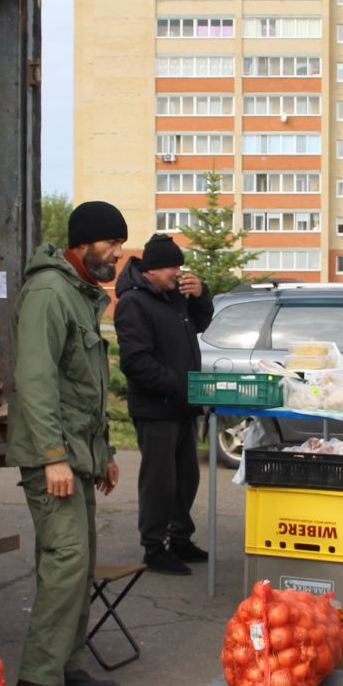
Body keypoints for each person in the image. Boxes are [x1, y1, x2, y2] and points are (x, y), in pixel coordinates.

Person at [5, 201, 128, 686]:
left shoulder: (79, 295)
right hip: (52, 456)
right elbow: (35, 382)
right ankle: (37, 683)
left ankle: (67, 666)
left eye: (120, 244)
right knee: (65, 563)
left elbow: (86, 386)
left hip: (79, 455)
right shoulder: (49, 294)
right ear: (81, 244)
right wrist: (53, 456)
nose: (119, 253)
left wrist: (105, 453)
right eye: (111, 243)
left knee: (78, 566)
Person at [114, 233, 214, 575]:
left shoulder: (174, 299)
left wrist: (201, 295)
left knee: (186, 478)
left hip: (182, 405)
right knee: (160, 481)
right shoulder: (134, 303)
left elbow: (201, 323)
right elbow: (136, 362)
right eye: (172, 265)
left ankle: (180, 538)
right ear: (152, 270)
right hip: (156, 408)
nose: (178, 272)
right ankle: (154, 547)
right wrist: (175, 387)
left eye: (179, 265)